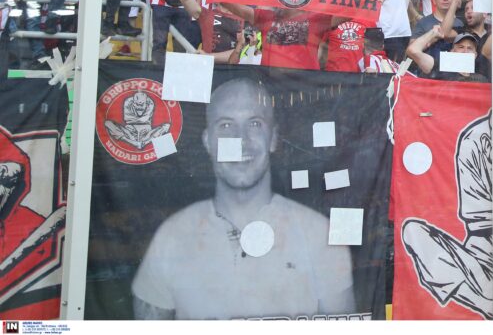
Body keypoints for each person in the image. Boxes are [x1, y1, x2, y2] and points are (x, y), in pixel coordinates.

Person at [131, 78, 356, 318]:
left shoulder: (318, 234)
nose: (241, 140)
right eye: (226, 125)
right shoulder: (172, 236)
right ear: (208, 142)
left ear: (273, 138)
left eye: (255, 124)